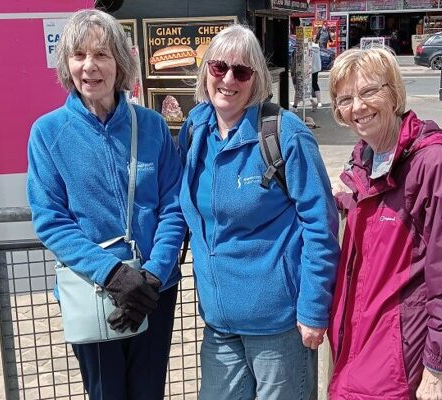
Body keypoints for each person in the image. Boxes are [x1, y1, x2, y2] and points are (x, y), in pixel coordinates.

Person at [26, 9, 186, 400]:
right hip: (93, 290)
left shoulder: (151, 126)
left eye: (101, 54)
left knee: (148, 391)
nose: (89, 66)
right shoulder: (48, 133)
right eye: (79, 55)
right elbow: (51, 220)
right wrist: (113, 274)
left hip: (154, 292)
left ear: (120, 63)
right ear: (67, 64)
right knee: (106, 393)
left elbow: (173, 207)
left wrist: (153, 275)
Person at [178, 24, 340, 400]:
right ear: (206, 71)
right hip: (219, 323)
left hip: (278, 325)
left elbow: (320, 226)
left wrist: (313, 309)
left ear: (256, 79)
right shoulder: (195, 129)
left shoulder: (285, 135)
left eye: (241, 71)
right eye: (219, 67)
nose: (228, 80)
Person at [327, 47, 442, 400]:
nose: (357, 107)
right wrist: (346, 200)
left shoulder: (435, 166)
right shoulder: (367, 161)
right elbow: (382, 223)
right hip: (357, 347)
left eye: (369, 92)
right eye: (345, 99)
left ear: (394, 93)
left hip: (397, 359)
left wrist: (437, 364)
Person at [310, 41, 323, 110]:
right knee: (315, 84)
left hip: (309, 69)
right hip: (316, 69)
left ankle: (297, 102)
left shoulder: (309, 48)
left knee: (305, 85)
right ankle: (319, 102)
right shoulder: (316, 47)